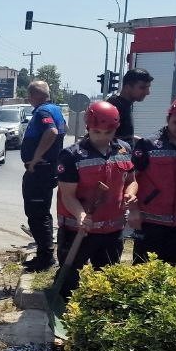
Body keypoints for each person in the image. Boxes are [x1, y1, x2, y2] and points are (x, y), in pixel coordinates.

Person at [54, 101, 137, 298]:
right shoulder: (72, 155)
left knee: (107, 283)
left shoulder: (123, 150)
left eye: (108, 133)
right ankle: (63, 314)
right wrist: (81, 215)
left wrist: (131, 193)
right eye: (97, 132)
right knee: (70, 280)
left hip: (112, 232)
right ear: (88, 128)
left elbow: (132, 180)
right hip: (78, 231)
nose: (102, 137)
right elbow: (68, 195)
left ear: (115, 129)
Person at [130, 96, 176, 264]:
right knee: (143, 269)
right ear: (168, 117)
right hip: (150, 221)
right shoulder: (148, 144)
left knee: (170, 269)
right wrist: (133, 210)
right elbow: (131, 178)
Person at [20, 80, 67, 272]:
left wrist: (36, 158)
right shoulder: (56, 110)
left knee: (37, 215)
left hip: (40, 171)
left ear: (33, 97)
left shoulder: (42, 112)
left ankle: (46, 258)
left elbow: (52, 131)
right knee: (41, 213)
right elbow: (63, 130)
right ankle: (44, 254)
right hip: (47, 170)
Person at [108, 68, 154, 145]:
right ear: (127, 87)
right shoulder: (114, 107)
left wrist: (145, 143)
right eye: (142, 88)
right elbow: (103, 137)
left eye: (148, 87)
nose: (147, 92)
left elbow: (124, 137)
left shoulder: (124, 104)